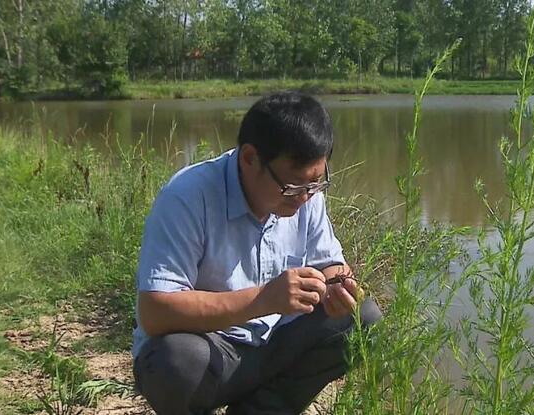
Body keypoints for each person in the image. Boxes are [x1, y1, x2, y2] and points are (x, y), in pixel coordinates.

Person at [132, 91, 381, 415]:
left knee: (363, 319)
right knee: (175, 362)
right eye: (293, 187)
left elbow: (330, 261)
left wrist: (339, 284)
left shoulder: (304, 193)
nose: (305, 197)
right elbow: (154, 312)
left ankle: (260, 409)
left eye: (316, 183)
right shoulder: (188, 197)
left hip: (273, 345)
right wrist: (264, 299)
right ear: (249, 158)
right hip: (212, 352)